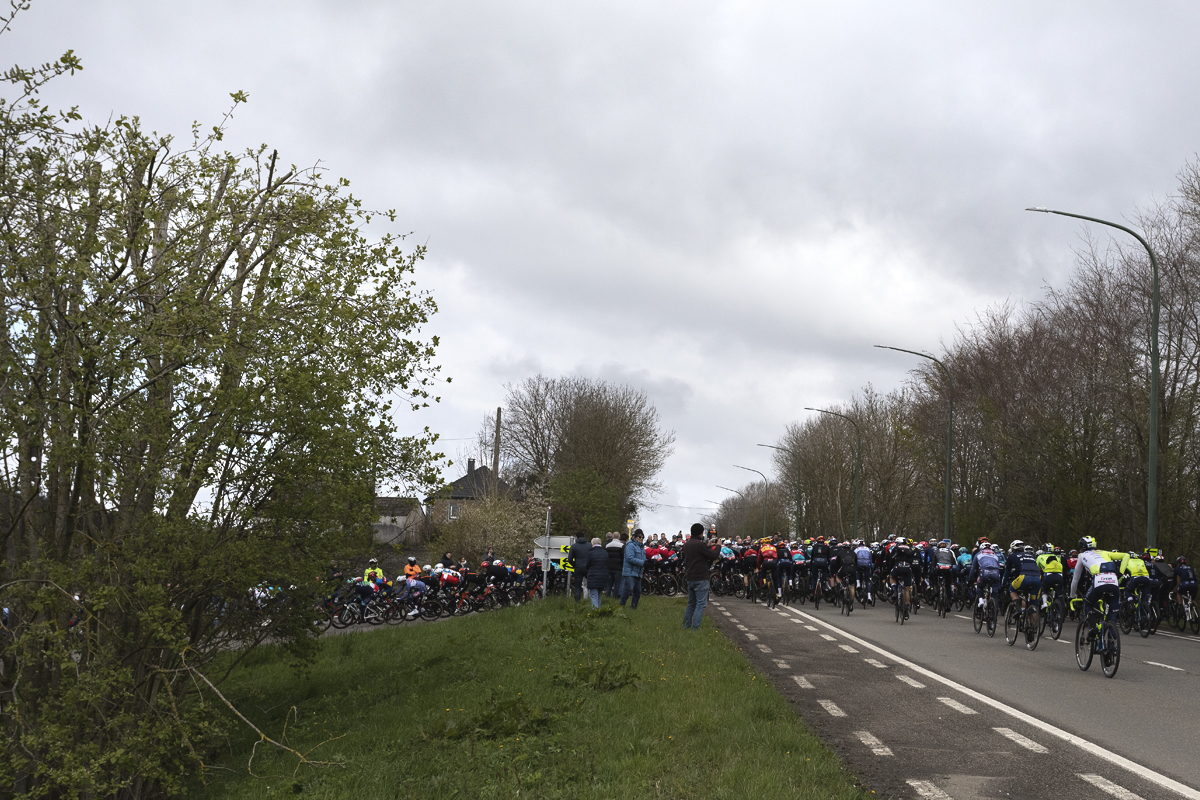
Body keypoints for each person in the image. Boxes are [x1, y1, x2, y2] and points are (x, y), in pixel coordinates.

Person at [682, 522, 718, 630]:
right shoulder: (700, 544)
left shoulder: (687, 544)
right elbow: (713, 555)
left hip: (690, 577)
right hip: (701, 578)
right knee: (700, 604)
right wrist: (718, 546)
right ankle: (695, 628)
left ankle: (686, 625)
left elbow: (696, 552)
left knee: (691, 603)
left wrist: (707, 546)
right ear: (701, 533)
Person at [621, 529, 647, 608]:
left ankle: (633, 607)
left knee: (638, 592)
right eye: (640, 536)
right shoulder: (630, 545)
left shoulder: (642, 548)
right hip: (630, 572)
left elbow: (643, 559)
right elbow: (630, 558)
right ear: (635, 537)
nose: (641, 538)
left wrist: (649, 562)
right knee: (629, 589)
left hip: (638, 573)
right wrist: (643, 563)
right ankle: (621, 605)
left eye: (643, 537)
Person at [584, 537, 609, 609]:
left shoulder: (591, 553)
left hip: (593, 576)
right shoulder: (605, 553)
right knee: (599, 594)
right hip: (603, 576)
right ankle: (599, 610)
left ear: (593, 544)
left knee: (594, 595)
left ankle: (595, 612)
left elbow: (587, 565)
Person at [568, 533, 590, 602]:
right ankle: (591, 599)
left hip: (578, 567)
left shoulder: (574, 546)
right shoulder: (589, 545)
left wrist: (575, 565)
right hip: (588, 568)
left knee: (577, 586)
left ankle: (577, 601)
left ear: (576, 537)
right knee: (590, 584)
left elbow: (569, 559)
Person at [606, 532, 626, 598]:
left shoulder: (608, 545)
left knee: (609, 583)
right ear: (619, 537)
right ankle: (615, 596)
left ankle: (607, 596)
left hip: (609, 567)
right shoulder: (622, 546)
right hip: (618, 567)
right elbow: (624, 557)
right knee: (617, 583)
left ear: (612, 537)